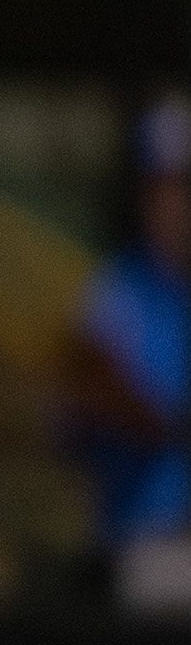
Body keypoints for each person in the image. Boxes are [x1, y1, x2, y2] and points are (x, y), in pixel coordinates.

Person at [63, 96, 191, 582]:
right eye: (164, 186)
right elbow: (80, 408)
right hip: (142, 542)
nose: (176, 202)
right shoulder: (116, 294)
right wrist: (161, 423)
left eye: (183, 185)